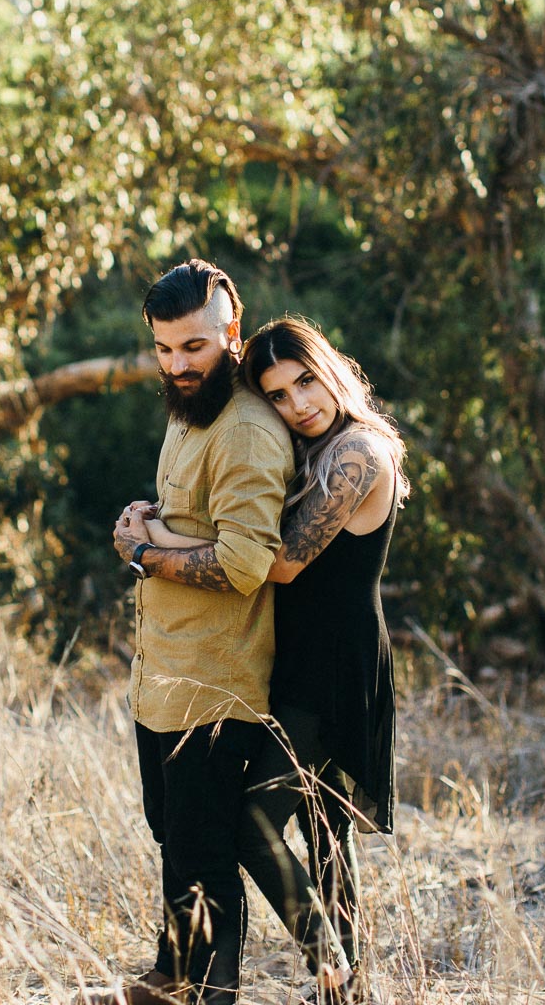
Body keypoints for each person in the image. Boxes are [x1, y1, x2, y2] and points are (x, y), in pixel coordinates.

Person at [137, 317, 407, 1005]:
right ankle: (347, 991)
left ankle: (332, 964)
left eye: (306, 382)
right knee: (324, 830)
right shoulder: (311, 446)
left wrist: (156, 540)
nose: (298, 404)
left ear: (332, 371)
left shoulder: (359, 453)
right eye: (280, 395)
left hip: (335, 670)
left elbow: (279, 564)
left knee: (256, 822)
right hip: (295, 661)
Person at [94, 260, 294, 1005]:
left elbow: (244, 563)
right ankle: (172, 975)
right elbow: (200, 522)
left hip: (217, 682)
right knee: (172, 833)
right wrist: (147, 518)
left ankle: (209, 990)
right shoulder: (190, 410)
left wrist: (145, 554)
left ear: (230, 333)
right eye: (165, 349)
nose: (178, 365)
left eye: (194, 348)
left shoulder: (245, 428)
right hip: (165, 673)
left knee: (204, 849)